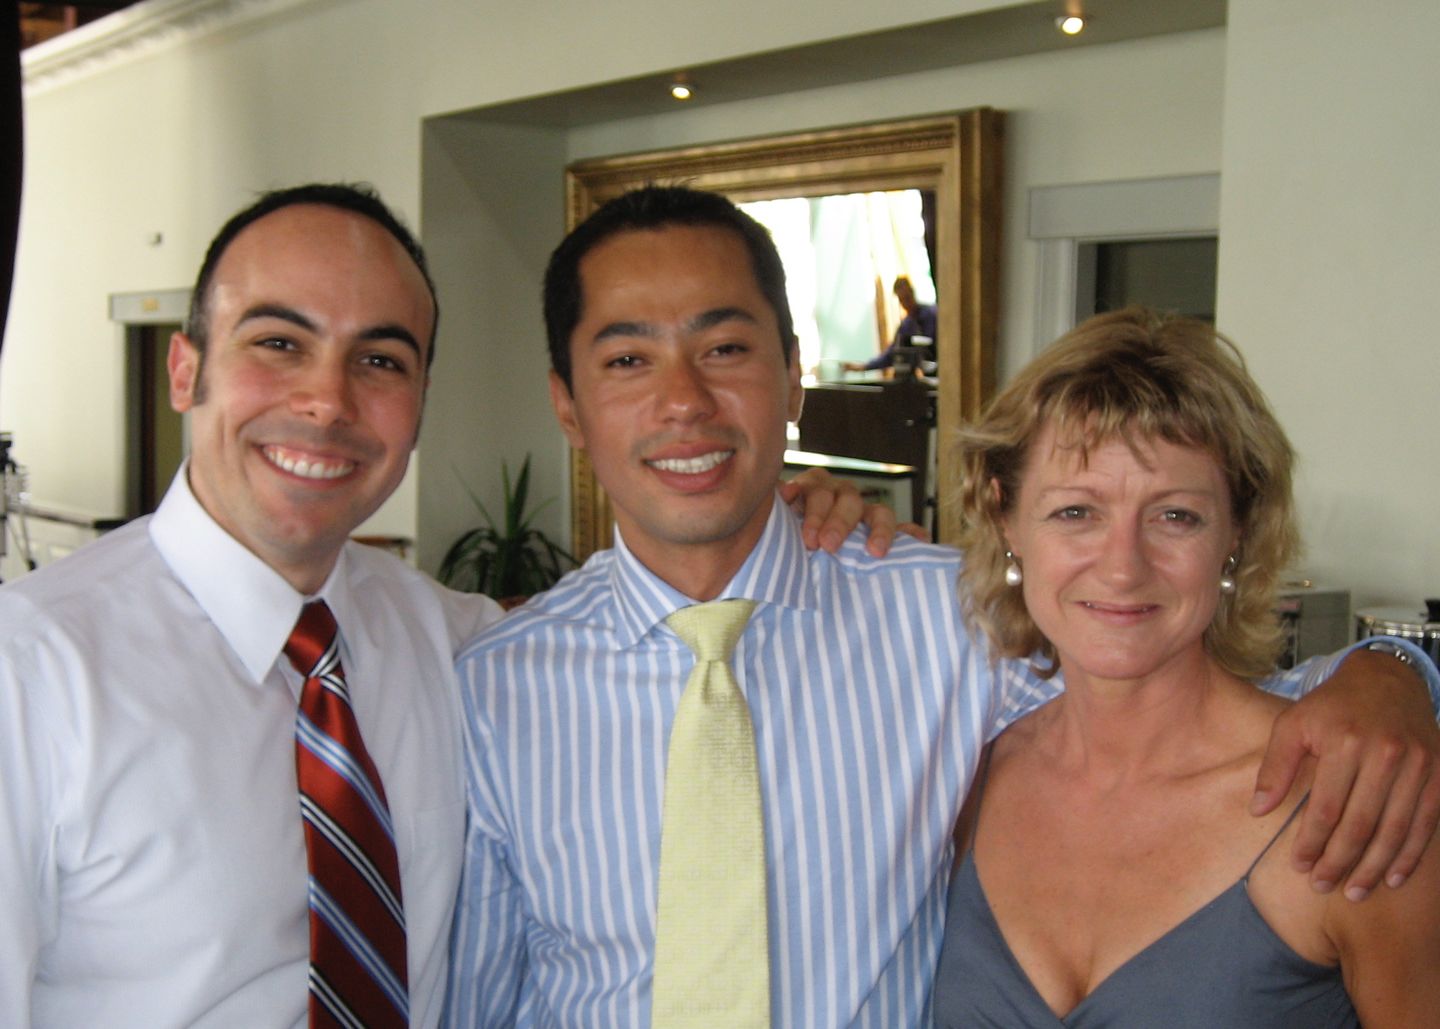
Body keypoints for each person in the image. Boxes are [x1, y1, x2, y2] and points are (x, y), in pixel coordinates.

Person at [445, 186, 1440, 1027]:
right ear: (567, 405)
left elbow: (1177, 694)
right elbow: (481, 998)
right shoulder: (495, 685)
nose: (684, 402)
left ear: (794, 377)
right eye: (627, 360)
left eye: (726, 348)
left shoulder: (950, 621)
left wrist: (1391, 669)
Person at [0, 181, 900, 1026]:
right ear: (185, 369)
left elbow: (648, 626)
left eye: (380, 359)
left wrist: (786, 514)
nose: (328, 400)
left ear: (420, 402)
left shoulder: (454, 643)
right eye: (279, 343)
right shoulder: (31, 672)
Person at [933, 307, 1440, 1026]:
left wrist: (1393, 671)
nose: (1122, 566)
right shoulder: (963, 787)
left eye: (1175, 516)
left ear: (1237, 531)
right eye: (1076, 512)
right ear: (1005, 518)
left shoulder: (1351, 803)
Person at [843, 274, 937, 372]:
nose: (906, 303)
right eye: (902, 300)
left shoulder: (932, 314)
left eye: (907, 297)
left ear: (912, 292)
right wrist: (864, 366)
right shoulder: (906, 326)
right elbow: (891, 354)